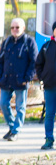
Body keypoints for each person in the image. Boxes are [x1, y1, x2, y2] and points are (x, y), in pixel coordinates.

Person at [0, 17, 38, 141]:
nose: (15, 30)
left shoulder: (29, 42)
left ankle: (15, 131)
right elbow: (0, 61)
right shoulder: (7, 42)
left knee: (20, 107)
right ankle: (12, 127)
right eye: (13, 27)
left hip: (21, 80)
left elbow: (34, 62)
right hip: (6, 80)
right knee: (3, 103)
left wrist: (27, 78)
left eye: (17, 27)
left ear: (23, 28)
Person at [36, 22, 56, 150]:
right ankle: (49, 139)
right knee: (49, 114)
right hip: (50, 86)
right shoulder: (46, 46)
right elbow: (38, 64)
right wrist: (42, 77)